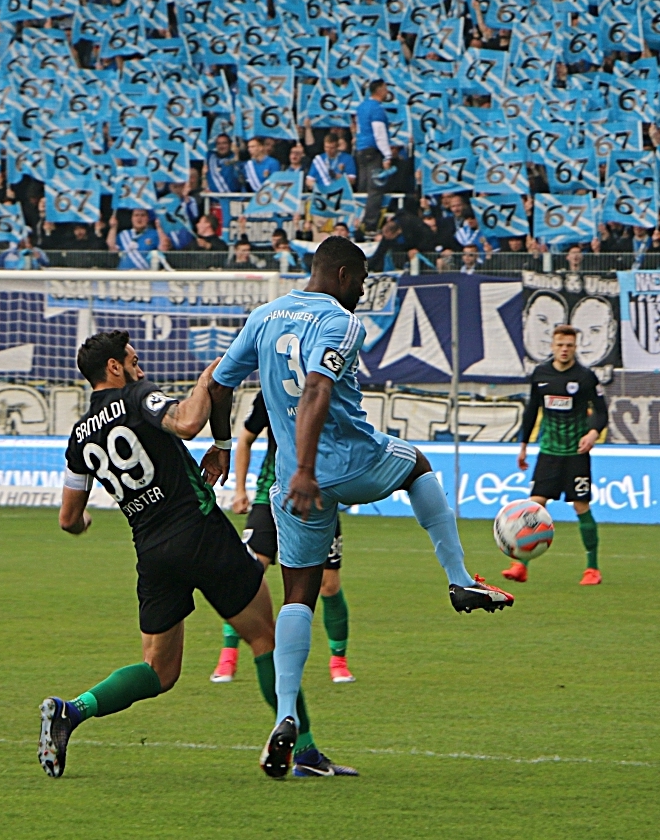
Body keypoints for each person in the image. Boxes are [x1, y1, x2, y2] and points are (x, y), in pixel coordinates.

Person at [205, 236, 513, 777]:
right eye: (363, 282)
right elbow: (318, 389)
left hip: (294, 488)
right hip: (348, 464)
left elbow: (220, 381)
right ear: (344, 275)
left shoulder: (264, 315)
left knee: (298, 596)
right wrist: (305, 466)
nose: (363, 292)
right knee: (416, 462)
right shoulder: (342, 323)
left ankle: (284, 718)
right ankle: (459, 577)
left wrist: (222, 445)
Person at [37, 331, 355, 779]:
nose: (140, 368)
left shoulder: (78, 435)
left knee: (159, 670)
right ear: (113, 368)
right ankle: (304, 753)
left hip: (151, 551)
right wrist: (208, 379)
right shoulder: (136, 396)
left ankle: (73, 710)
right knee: (266, 637)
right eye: (132, 360)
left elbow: (69, 518)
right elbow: (186, 423)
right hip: (201, 532)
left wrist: (86, 523)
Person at [214, 392, 353, 686]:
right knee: (246, 574)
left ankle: (338, 661)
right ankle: (228, 657)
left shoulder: (329, 389)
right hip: (271, 495)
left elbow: (346, 441)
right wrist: (240, 489)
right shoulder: (271, 392)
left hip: (318, 497)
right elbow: (246, 439)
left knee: (328, 585)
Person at [508, 325, 607, 585]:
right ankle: (521, 565)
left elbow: (601, 410)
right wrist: (523, 445)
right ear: (552, 346)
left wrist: (594, 432)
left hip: (576, 453)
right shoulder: (541, 375)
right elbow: (531, 410)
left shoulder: (585, 377)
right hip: (549, 452)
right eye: (560, 344)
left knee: (580, 505)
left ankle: (592, 568)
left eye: (569, 345)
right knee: (535, 505)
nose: (564, 349)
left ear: (575, 347)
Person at [355, 80, 396, 232]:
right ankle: (369, 224)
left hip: (360, 149)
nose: (387, 92)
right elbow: (379, 134)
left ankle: (357, 220)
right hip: (373, 151)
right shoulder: (377, 109)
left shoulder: (361, 107)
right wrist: (387, 155)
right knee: (375, 189)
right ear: (379, 90)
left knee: (363, 186)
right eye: (385, 89)